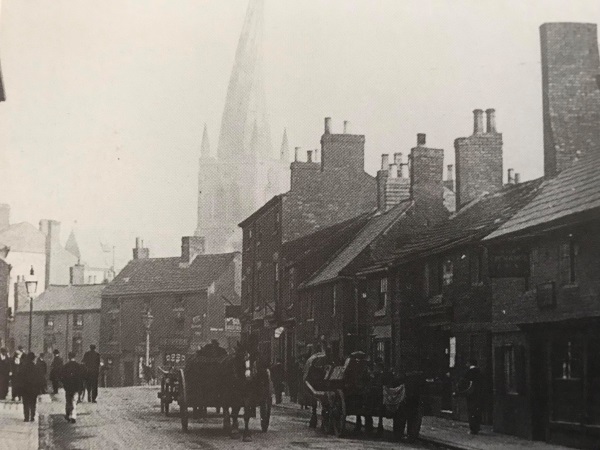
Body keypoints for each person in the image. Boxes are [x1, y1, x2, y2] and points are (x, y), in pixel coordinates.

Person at [456, 359, 483, 435]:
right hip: (479, 394)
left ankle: (473, 429)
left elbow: (463, 383)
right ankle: (477, 427)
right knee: (477, 410)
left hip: (471, 394)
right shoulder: (480, 372)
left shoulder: (468, 372)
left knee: (471, 411)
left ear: (469, 363)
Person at [16, 353, 45, 422]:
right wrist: (40, 389)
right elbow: (40, 379)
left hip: (25, 388)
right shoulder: (36, 367)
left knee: (25, 403)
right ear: (33, 359)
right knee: (33, 402)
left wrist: (18, 389)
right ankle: (32, 417)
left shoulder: (23, 367)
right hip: (34, 389)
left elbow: (19, 379)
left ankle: (26, 417)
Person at [61, 352, 85, 423]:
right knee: (74, 401)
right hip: (76, 387)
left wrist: (64, 384)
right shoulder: (78, 366)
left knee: (68, 401)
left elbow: (62, 377)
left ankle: (68, 414)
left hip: (68, 387)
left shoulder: (66, 366)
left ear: (68, 357)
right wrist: (81, 387)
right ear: (75, 357)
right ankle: (73, 416)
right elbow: (81, 377)